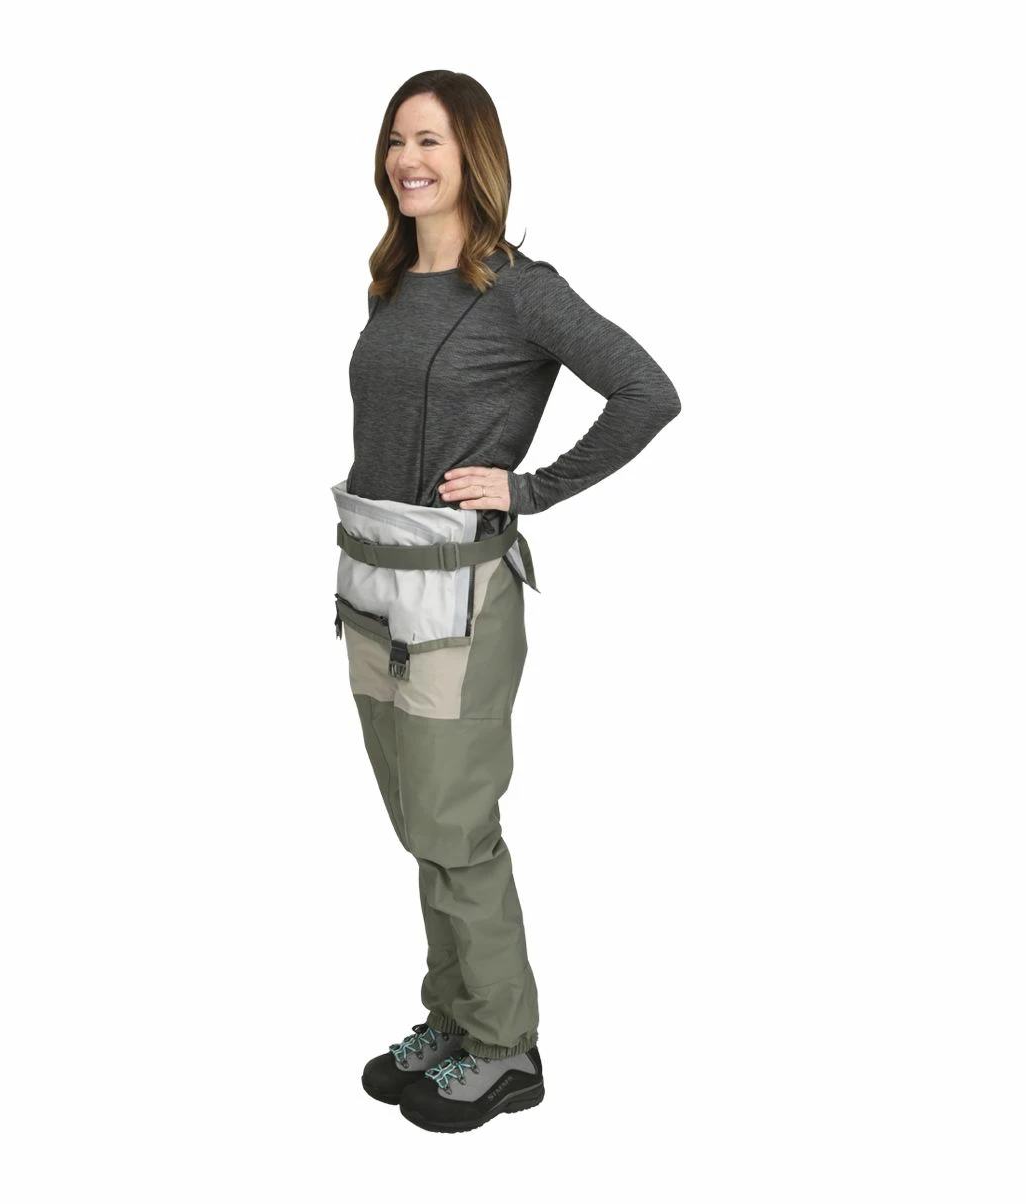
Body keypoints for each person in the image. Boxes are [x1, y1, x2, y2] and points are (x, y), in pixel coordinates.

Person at [336, 70, 680, 1133]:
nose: (408, 160)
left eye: (430, 140)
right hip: (373, 585)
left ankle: (505, 1047)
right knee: (419, 823)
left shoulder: (520, 290)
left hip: (460, 598)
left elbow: (649, 392)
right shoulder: (394, 282)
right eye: (397, 140)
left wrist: (529, 491)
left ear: (473, 154)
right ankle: (453, 1016)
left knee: (456, 824)